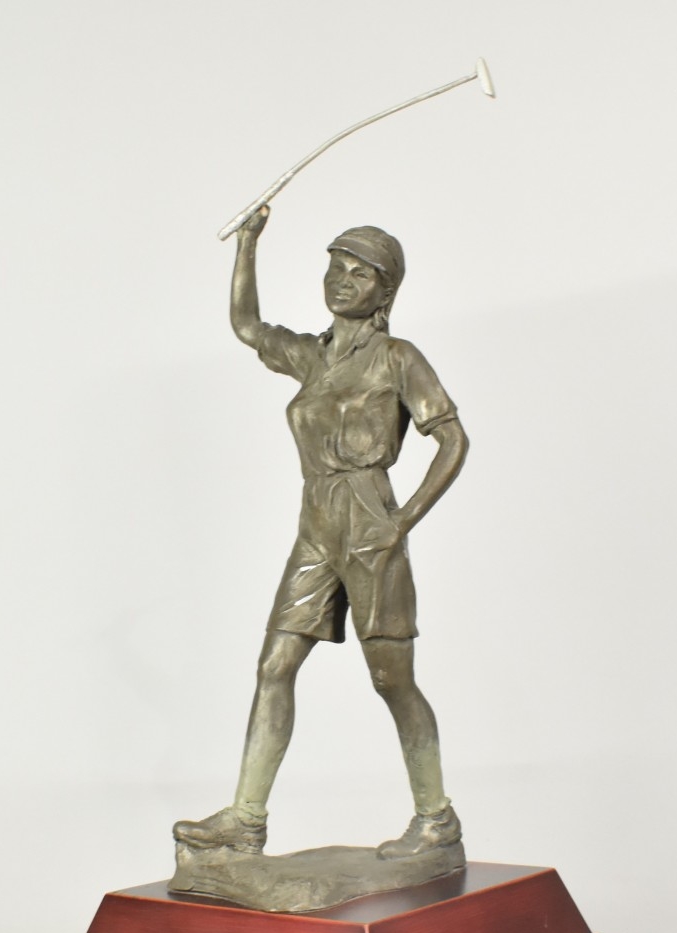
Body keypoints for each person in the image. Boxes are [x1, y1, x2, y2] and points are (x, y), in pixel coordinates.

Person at [173, 205, 470, 860]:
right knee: (274, 664)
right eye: (336, 267)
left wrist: (402, 521)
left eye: (360, 273)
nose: (342, 280)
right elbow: (247, 325)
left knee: (391, 679)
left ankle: (436, 817)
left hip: (368, 518)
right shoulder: (312, 356)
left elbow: (452, 439)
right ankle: (246, 819)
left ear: (385, 292)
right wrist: (247, 244)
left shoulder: (397, 357)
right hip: (316, 522)